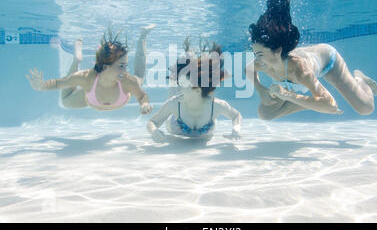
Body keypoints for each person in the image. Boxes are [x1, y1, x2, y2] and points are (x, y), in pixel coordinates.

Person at [245, 0, 377, 120]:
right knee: (265, 114)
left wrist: (286, 95)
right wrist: (260, 89)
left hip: (329, 63)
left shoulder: (300, 70)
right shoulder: (262, 62)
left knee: (365, 108)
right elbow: (247, 68)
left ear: (277, 51)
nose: (256, 59)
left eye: (259, 54)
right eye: (255, 54)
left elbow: (331, 106)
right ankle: (313, 102)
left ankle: (359, 78)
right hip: (296, 70)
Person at [26, 26, 154, 114]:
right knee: (65, 101)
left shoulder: (127, 81)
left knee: (139, 78)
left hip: (119, 95)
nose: (125, 70)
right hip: (92, 97)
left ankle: (143, 36)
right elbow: (59, 83)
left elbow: (142, 96)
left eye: (125, 66)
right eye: (121, 66)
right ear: (105, 67)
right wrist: (41, 86)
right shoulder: (87, 78)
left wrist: (144, 104)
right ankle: (77, 60)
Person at [147, 41, 242, 142]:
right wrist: (153, 130)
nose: (178, 88)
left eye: (182, 85)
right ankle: (174, 79)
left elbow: (236, 115)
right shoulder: (174, 104)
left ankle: (176, 79)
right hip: (174, 122)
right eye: (179, 84)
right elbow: (152, 122)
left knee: (178, 92)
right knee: (174, 96)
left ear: (197, 89)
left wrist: (236, 129)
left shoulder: (216, 105)